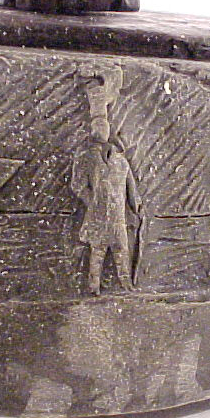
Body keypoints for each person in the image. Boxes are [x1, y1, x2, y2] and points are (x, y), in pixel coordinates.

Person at [71, 117, 142, 295]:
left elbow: (131, 190)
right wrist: (93, 201)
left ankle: (125, 284)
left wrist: (137, 208)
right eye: (98, 128)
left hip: (117, 215)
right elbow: (78, 185)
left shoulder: (121, 162)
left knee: (120, 251)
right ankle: (94, 287)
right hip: (99, 215)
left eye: (104, 128)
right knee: (98, 252)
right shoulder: (87, 157)